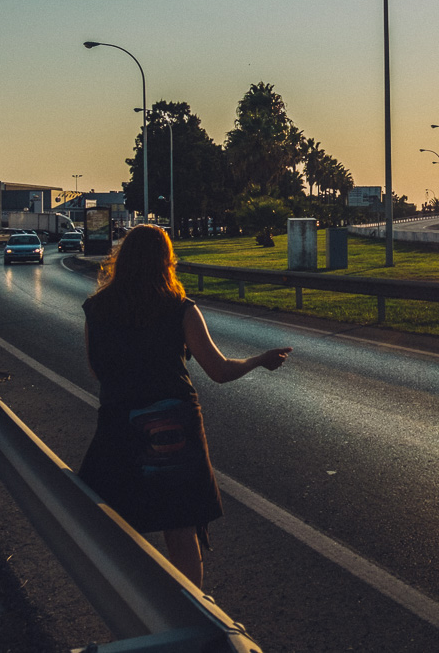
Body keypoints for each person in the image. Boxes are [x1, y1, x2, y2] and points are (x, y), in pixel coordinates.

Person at [78, 224, 289, 587]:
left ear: (122, 260)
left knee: (117, 521)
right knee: (180, 527)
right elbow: (219, 371)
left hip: (119, 425)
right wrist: (259, 360)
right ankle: (192, 618)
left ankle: (138, 609)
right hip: (174, 426)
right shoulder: (181, 309)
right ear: (166, 261)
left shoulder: (96, 308)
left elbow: (97, 371)